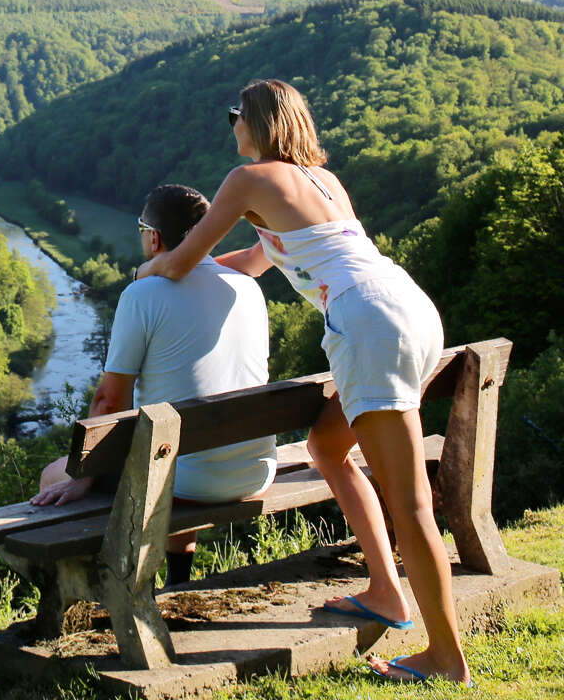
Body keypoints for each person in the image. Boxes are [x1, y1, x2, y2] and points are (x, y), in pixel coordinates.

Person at [133, 78, 468, 686]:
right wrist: (191, 270)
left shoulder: (249, 180)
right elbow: (254, 264)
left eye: (234, 114)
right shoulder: (322, 182)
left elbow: (181, 260)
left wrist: (150, 269)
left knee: (411, 499)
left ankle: (445, 659)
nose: (230, 123)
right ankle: (387, 594)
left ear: (255, 122)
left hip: (368, 324)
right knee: (328, 448)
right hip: (408, 308)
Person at [31, 183, 276, 588]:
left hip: (186, 479)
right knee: (180, 448)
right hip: (254, 471)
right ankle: (178, 581)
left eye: (141, 227)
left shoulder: (142, 294)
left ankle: (85, 594)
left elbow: (109, 401)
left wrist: (84, 475)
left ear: (154, 236)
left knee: (52, 477)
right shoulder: (248, 287)